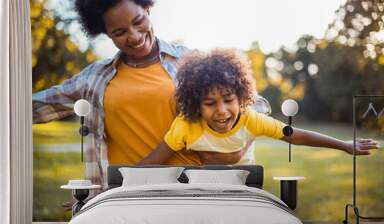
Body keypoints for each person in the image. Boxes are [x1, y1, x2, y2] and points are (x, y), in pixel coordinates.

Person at [32, 0, 255, 193]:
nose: (135, 36)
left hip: (189, 187)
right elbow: (33, 107)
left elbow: (256, 105)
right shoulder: (94, 78)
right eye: (119, 32)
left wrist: (237, 150)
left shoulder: (190, 61)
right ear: (106, 33)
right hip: (124, 193)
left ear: (147, 8)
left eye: (138, 21)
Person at [138, 48, 378, 165]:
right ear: (196, 105)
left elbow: (296, 135)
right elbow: (153, 160)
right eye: (210, 103)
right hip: (206, 184)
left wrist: (345, 145)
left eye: (228, 100)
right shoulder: (185, 126)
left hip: (247, 180)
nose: (221, 110)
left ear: (240, 96)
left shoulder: (251, 119)